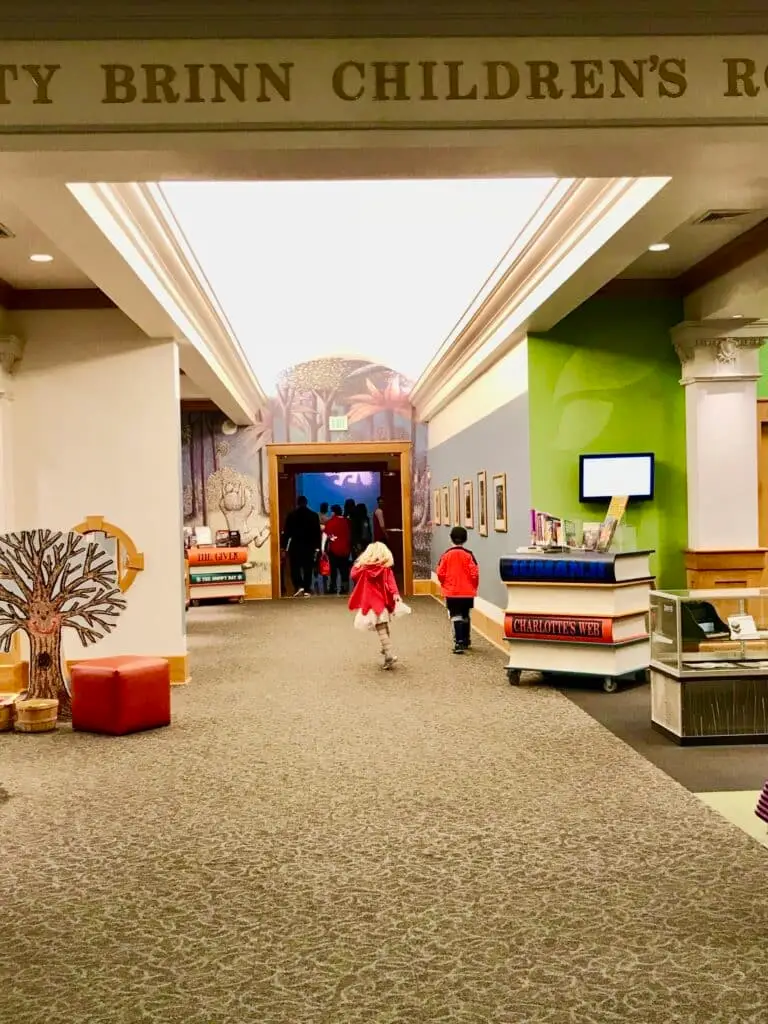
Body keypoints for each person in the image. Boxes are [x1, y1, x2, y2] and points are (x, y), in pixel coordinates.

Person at [348, 541, 404, 669]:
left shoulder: (364, 569)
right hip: (382, 602)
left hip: (370, 603)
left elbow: (353, 575)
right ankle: (386, 649)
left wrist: (359, 563)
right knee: (383, 627)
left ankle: (388, 652)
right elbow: (391, 583)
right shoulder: (385, 569)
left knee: (381, 628)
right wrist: (395, 594)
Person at [436, 526, 479, 654]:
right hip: (467, 592)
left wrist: (445, 585)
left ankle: (458, 642)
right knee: (465, 615)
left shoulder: (446, 555)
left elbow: (440, 573)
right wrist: (473, 587)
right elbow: (475, 574)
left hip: (452, 592)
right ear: (465, 539)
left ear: (451, 539)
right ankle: (466, 640)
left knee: (455, 616)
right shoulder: (469, 555)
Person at [282, 495, 321, 598]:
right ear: (306, 503)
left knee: (295, 567)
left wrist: (284, 547)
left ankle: (298, 586)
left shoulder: (291, 515)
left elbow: (287, 533)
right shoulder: (314, 515)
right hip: (309, 546)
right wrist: (318, 547)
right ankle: (307, 588)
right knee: (308, 568)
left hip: (295, 545)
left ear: (297, 503)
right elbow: (317, 533)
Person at [325, 504, 352, 595]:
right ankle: (345, 587)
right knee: (344, 569)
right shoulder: (347, 521)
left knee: (333, 570)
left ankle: (333, 587)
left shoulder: (330, 522)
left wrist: (323, 549)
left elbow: (328, 536)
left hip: (333, 549)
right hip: (345, 549)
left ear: (334, 512)